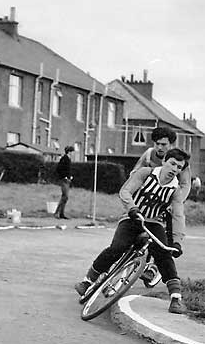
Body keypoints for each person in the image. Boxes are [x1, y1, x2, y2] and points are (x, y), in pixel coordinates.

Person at [74, 148, 190, 314]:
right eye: (172, 164)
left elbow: (178, 216)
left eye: (179, 167)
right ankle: (87, 281)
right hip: (132, 217)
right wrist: (132, 208)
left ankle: (176, 298)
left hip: (153, 223)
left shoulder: (175, 190)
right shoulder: (145, 173)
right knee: (117, 248)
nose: (174, 169)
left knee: (164, 254)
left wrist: (177, 242)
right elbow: (125, 191)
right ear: (164, 161)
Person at [131, 127, 191, 287]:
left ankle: (156, 267)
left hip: (169, 198)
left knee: (166, 234)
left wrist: (174, 203)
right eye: (157, 144)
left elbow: (185, 184)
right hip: (150, 196)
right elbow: (135, 171)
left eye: (164, 144)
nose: (160, 148)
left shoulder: (178, 160)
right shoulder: (149, 154)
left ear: (171, 144)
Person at [54, 146, 74, 219]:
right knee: (65, 196)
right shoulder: (64, 158)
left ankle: (61, 213)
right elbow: (59, 169)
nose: (73, 153)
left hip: (67, 179)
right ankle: (57, 212)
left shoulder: (68, 159)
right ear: (69, 152)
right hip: (64, 180)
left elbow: (68, 169)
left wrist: (70, 176)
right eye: (72, 152)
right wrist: (64, 176)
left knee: (65, 197)